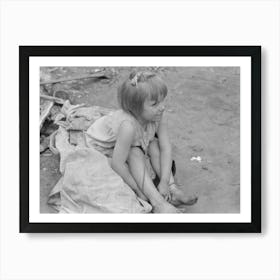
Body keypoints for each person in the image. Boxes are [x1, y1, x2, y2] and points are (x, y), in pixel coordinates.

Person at [86, 71, 198, 213]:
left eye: (163, 100)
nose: (162, 106)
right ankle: (158, 203)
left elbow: (166, 148)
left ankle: (172, 188)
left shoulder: (158, 115)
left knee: (154, 145)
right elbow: (117, 163)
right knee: (134, 152)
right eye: (155, 104)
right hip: (106, 147)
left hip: (133, 141)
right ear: (136, 108)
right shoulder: (128, 126)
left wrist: (164, 181)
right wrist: (138, 190)